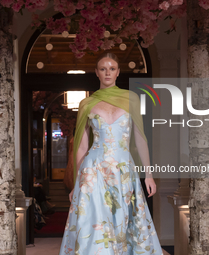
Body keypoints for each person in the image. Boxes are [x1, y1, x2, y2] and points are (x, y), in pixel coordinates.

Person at [58, 52, 163, 255]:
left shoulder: (132, 98)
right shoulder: (86, 103)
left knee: (125, 221)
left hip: (123, 170)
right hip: (93, 170)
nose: (108, 72)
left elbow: (141, 139)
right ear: (97, 73)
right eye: (103, 69)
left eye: (112, 68)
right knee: (94, 221)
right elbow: (81, 145)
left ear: (118, 72)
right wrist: (75, 181)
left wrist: (148, 174)